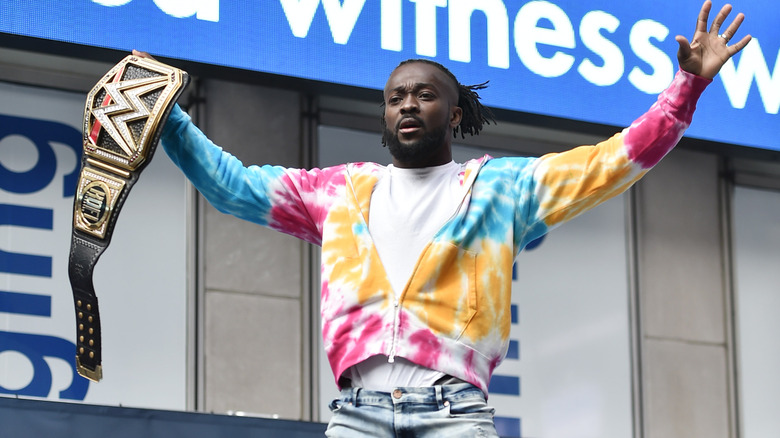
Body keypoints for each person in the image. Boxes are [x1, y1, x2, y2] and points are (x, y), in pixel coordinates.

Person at [135, 1, 750, 436]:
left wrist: (685, 90)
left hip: (456, 415)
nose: (408, 104)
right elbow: (233, 187)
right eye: (396, 97)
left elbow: (612, 162)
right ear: (383, 116)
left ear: (454, 115)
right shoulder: (338, 192)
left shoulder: (500, 189)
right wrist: (168, 116)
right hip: (356, 414)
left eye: (425, 95)